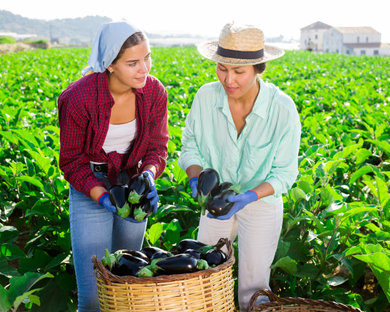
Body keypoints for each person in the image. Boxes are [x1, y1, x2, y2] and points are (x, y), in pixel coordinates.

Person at [178, 22, 301, 311]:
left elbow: (285, 173)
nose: (228, 79)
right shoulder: (205, 98)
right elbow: (190, 145)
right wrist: (195, 178)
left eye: (238, 72)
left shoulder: (282, 109)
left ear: (258, 68)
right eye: (222, 68)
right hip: (215, 197)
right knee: (203, 273)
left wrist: (248, 196)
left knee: (254, 286)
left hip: (260, 203)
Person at [58, 21, 168, 311]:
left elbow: (157, 148)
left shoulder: (155, 92)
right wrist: (102, 196)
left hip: (133, 184)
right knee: (94, 293)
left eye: (147, 58)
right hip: (89, 183)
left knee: (127, 282)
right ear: (110, 64)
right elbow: (71, 161)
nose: (144, 68)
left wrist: (148, 176)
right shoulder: (77, 98)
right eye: (133, 63)